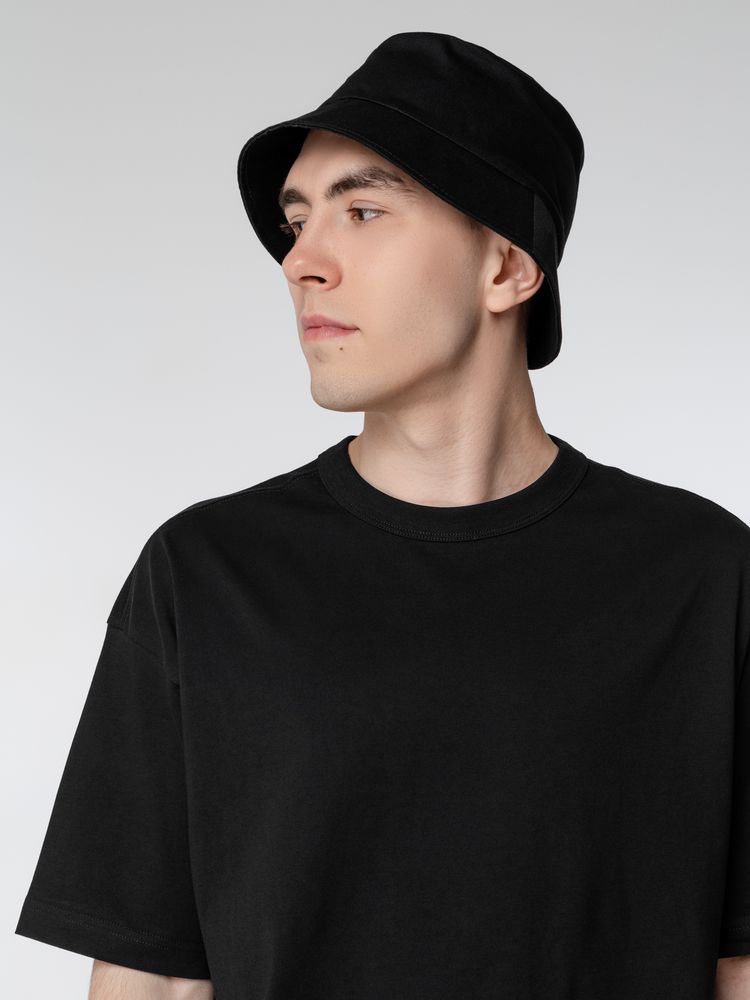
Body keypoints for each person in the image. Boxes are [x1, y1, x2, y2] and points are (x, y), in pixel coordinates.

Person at [15, 30, 750, 1000]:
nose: (301, 260)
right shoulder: (207, 573)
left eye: (362, 210)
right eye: (297, 220)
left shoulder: (703, 576)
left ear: (507, 266)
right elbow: (153, 982)